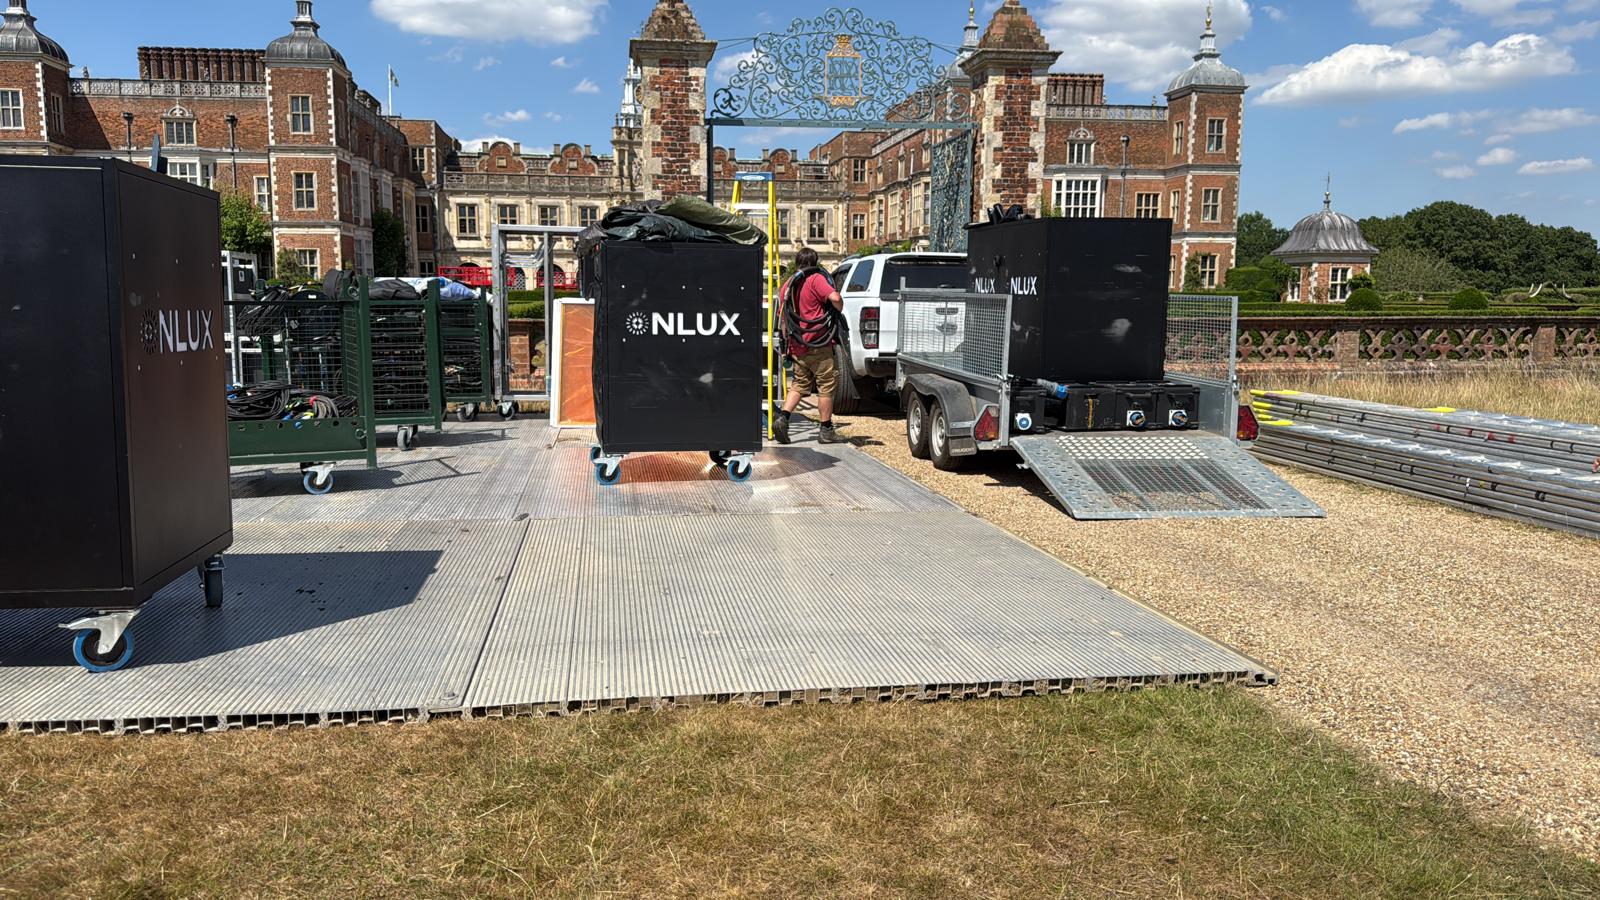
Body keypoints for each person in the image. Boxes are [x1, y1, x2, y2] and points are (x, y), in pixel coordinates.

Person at [775, 246, 846, 445]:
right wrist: (839, 307)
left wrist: (786, 346)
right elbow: (835, 298)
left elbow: (783, 319)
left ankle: (783, 419)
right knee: (826, 385)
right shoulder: (815, 279)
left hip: (797, 344)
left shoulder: (788, 285)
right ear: (815, 263)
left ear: (797, 262)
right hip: (818, 343)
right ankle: (826, 430)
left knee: (799, 384)